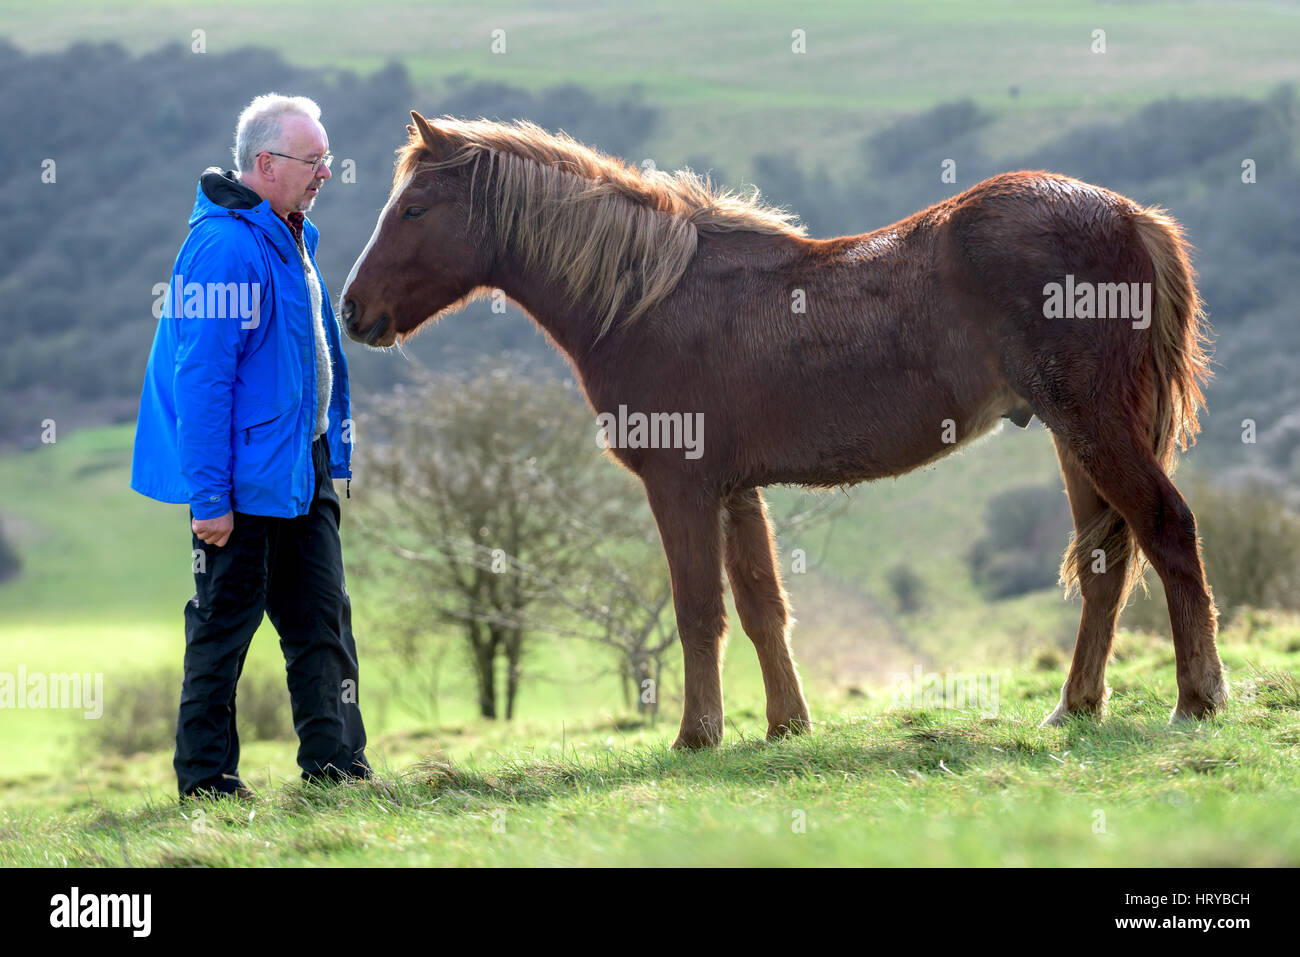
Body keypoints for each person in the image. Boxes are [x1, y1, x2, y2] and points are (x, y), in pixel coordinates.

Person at [130, 93, 370, 800]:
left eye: (327, 158)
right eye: (314, 160)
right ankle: (206, 785)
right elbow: (201, 380)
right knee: (221, 634)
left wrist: (336, 452)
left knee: (322, 625)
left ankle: (337, 770)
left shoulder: (291, 235)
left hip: (304, 468)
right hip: (241, 485)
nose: (326, 171)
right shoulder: (226, 246)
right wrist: (211, 499)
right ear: (266, 163)